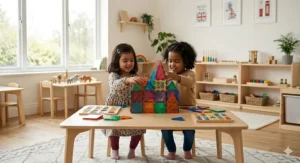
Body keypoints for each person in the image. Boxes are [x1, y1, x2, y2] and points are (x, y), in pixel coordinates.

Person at [103, 43, 146, 160]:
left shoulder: (135, 74)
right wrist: (127, 80)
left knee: (139, 128)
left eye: (132, 60)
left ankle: (132, 150)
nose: (129, 63)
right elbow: (114, 86)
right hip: (115, 106)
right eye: (125, 60)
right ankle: (115, 150)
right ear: (117, 61)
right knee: (114, 128)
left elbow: (140, 90)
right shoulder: (113, 74)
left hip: (132, 105)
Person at [161, 41, 197, 160]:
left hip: (188, 109)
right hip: (171, 110)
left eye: (177, 61)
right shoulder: (168, 76)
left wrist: (177, 78)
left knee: (189, 131)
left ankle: (187, 148)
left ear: (186, 61)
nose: (172, 64)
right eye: (170, 61)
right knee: (165, 128)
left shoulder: (190, 74)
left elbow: (189, 82)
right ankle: (171, 149)